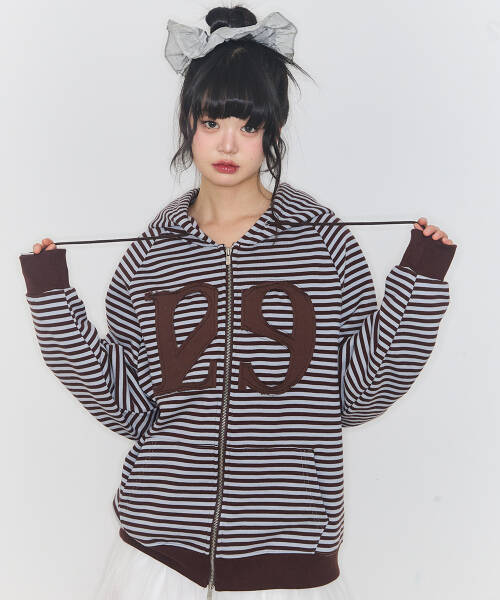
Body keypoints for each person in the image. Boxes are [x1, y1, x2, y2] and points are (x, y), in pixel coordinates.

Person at [19, 5, 457, 600]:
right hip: (159, 560)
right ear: (188, 123)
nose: (228, 143)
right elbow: (127, 405)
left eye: (248, 127)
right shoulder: (150, 257)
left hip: (290, 561)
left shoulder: (323, 244)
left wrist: (420, 279)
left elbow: (358, 392)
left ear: (272, 130)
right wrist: (52, 298)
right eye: (211, 121)